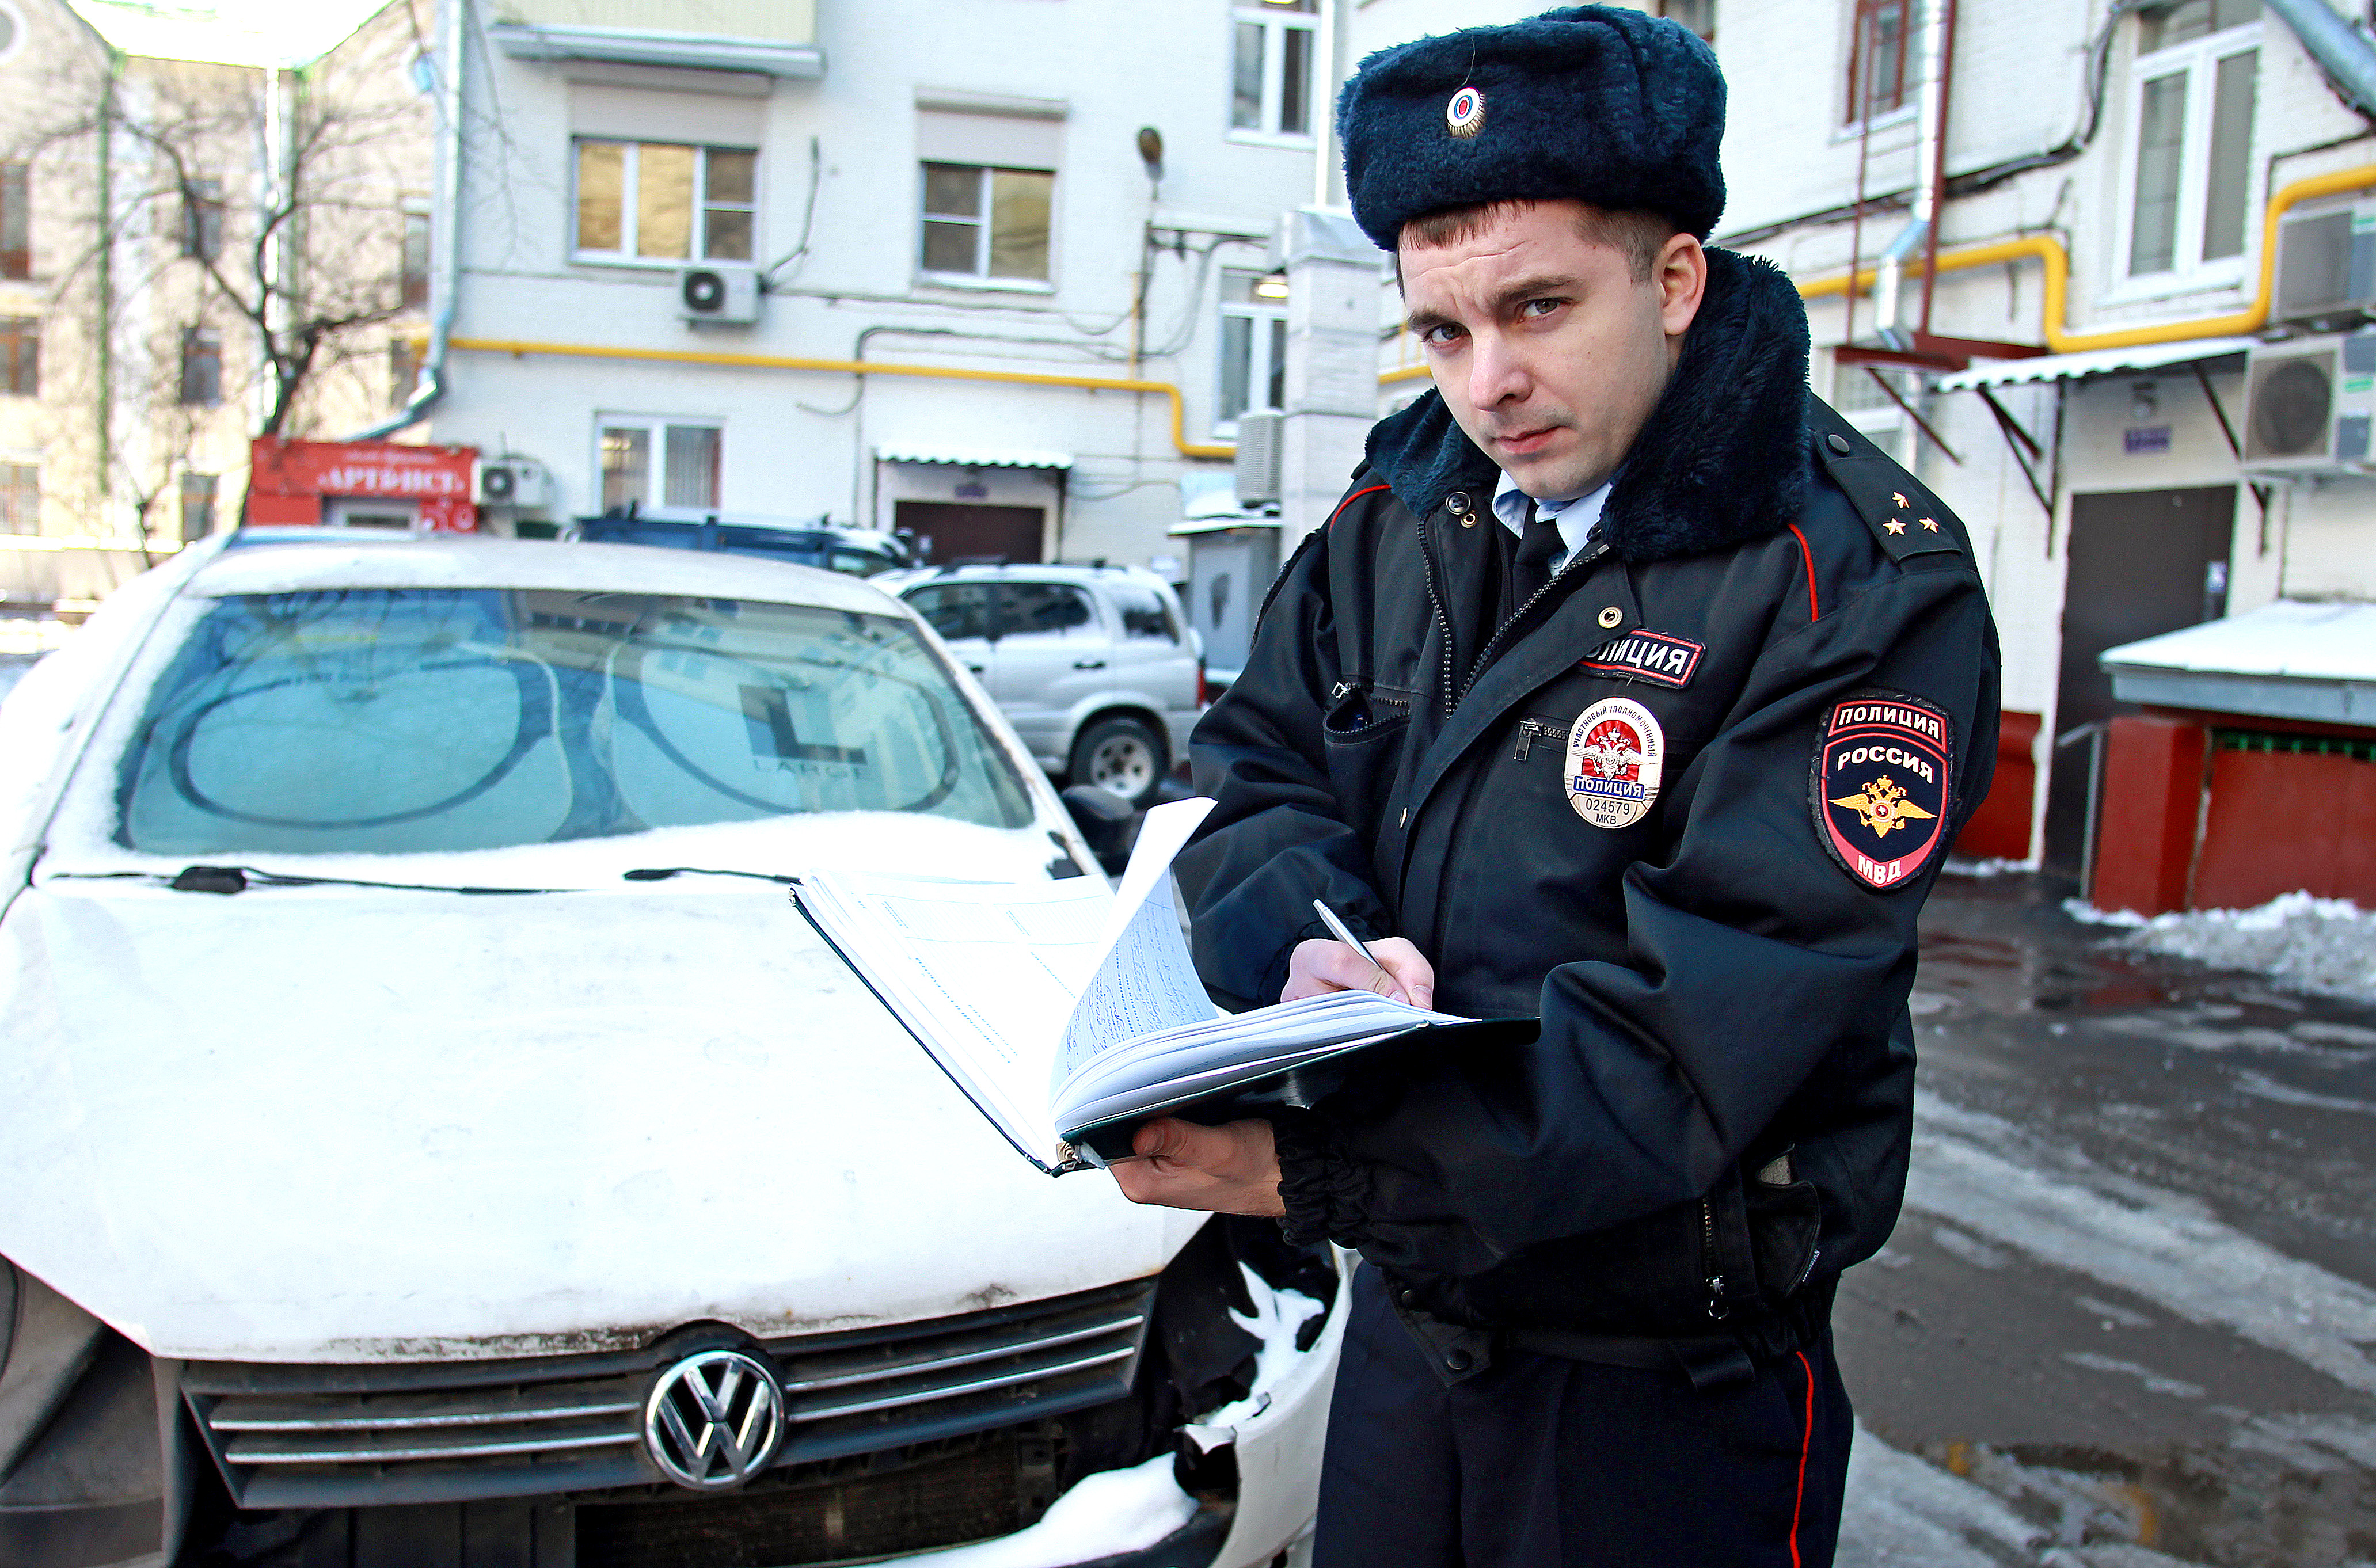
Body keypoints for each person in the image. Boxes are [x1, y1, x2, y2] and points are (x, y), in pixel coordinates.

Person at [1107, 7, 2002, 1566]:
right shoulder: (1413, 504)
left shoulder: (1852, 582)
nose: (1489, 384)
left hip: (1659, 1385)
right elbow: (1253, 768)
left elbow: (1693, 1047)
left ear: (1672, 281)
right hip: (1414, 1322)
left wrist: (1309, 1168)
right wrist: (1319, 939)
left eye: (1537, 308)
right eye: (1443, 330)